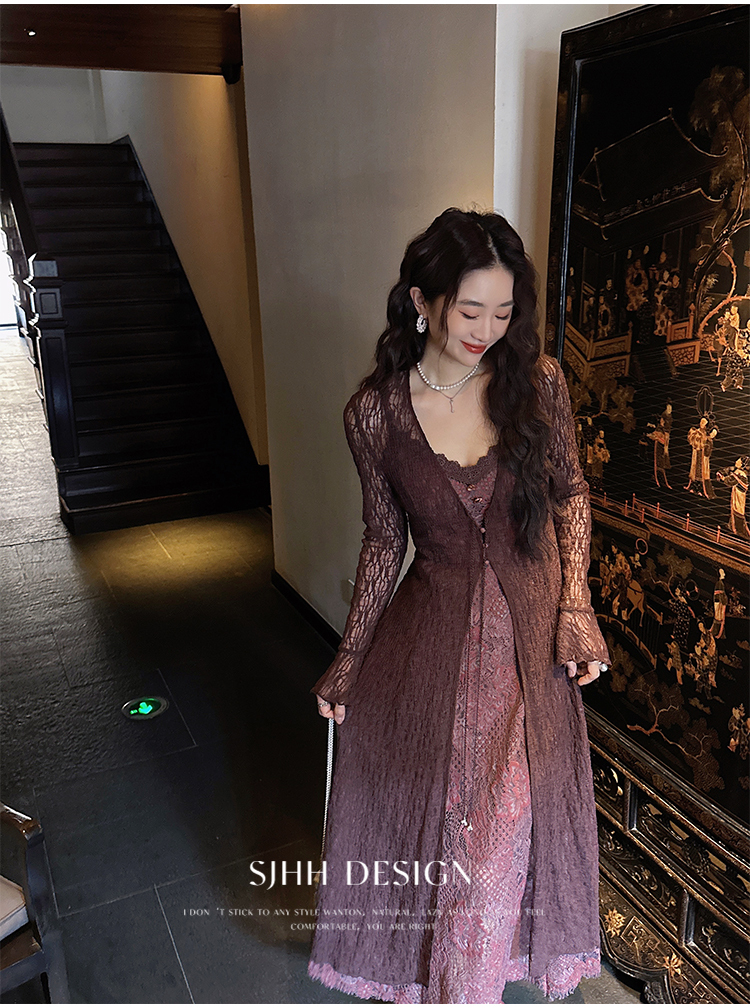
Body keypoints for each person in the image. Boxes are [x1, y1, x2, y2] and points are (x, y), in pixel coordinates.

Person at [308, 209, 611, 1004]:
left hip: (530, 648)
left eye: (503, 312)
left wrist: (575, 606)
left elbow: (572, 493)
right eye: (470, 310)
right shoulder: (375, 413)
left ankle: (466, 989)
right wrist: (348, 660)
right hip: (431, 643)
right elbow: (384, 541)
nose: (487, 331)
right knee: (449, 828)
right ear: (423, 300)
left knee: (508, 818)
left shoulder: (537, 383)